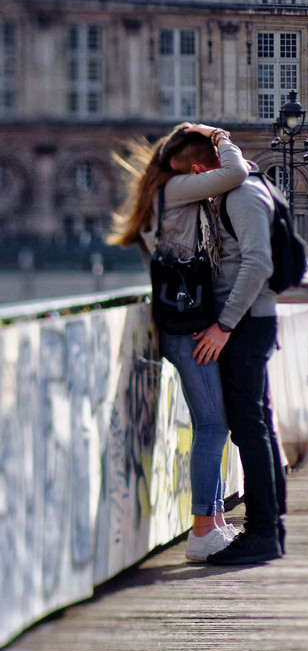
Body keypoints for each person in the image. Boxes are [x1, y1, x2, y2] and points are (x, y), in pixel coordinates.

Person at [110, 125, 247, 562]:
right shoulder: (178, 188)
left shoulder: (160, 190)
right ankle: (203, 529)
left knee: (213, 422)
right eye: (207, 166)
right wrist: (220, 136)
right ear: (194, 166)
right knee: (212, 425)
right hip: (189, 327)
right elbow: (237, 173)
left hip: (177, 322)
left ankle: (216, 519)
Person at [192, 151, 288, 565]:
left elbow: (258, 263)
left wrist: (225, 325)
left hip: (246, 323)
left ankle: (263, 532)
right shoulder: (249, 188)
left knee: (249, 427)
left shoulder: (241, 195)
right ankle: (271, 525)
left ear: (203, 169)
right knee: (257, 423)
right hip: (252, 320)